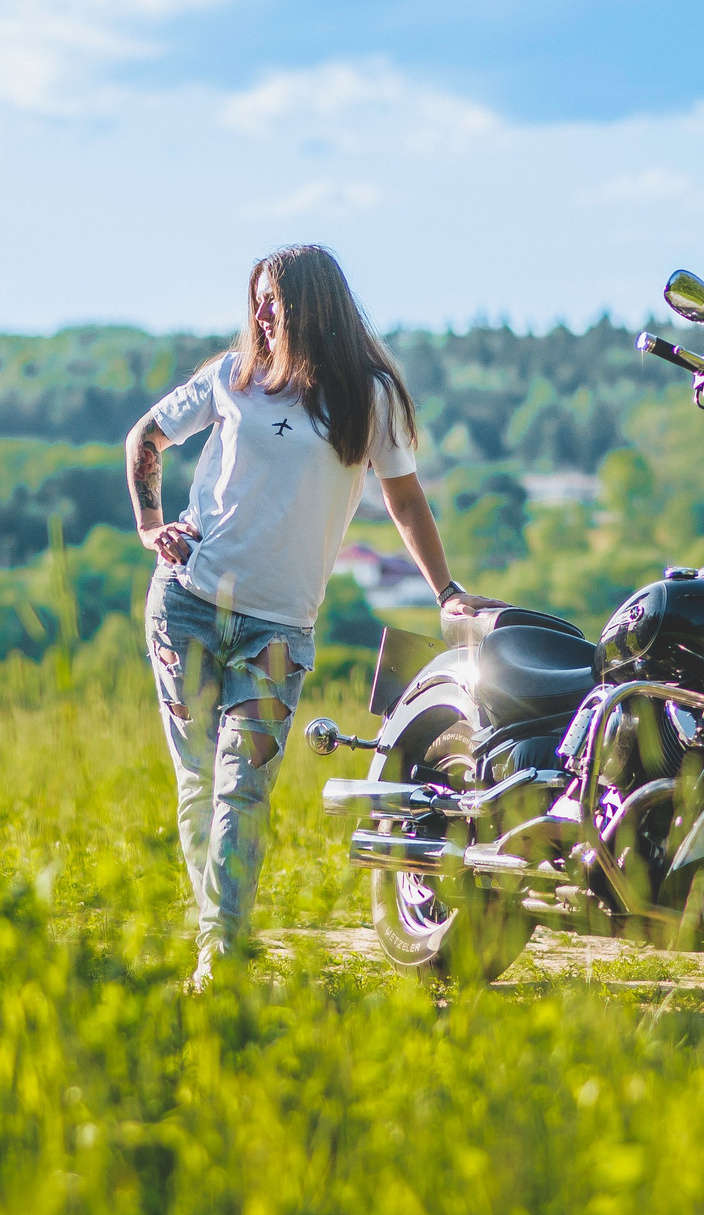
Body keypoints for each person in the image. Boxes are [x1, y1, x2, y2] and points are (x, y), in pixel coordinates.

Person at [126, 243, 497, 983]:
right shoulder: (231, 378)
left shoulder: (369, 397)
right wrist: (149, 523)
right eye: (257, 298)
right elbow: (146, 439)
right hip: (187, 606)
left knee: (245, 787)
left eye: (278, 299)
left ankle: (219, 948)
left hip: (279, 628)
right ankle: (220, 947)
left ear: (316, 305)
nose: (262, 313)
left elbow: (404, 499)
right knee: (201, 782)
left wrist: (445, 589)